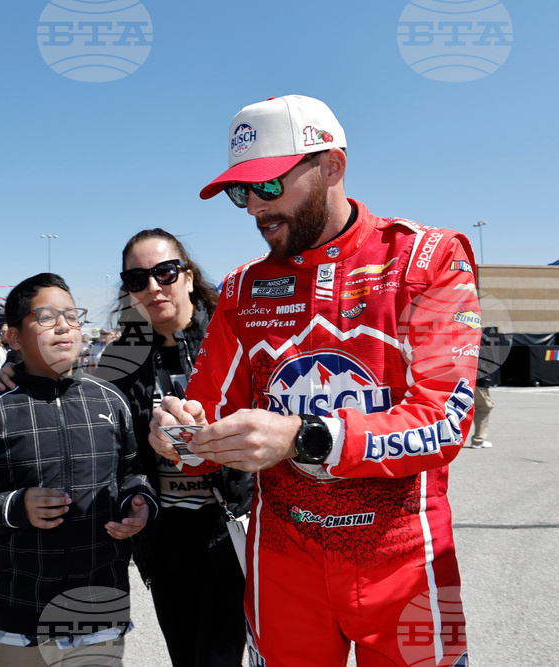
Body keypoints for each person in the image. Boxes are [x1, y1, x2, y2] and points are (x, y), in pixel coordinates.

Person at [151, 95, 480, 667]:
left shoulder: (428, 260)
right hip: (283, 564)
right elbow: (205, 419)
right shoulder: (240, 290)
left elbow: (445, 422)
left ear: (332, 166)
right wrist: (180, 433)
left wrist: (301, 437)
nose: (255, 208)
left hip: (402, 562)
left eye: (269, 186)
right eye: (240, 192)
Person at [0, 273, 157, 667]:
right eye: (45, 316)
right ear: (14, 337)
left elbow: (133, 472)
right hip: (21, 611)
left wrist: (138, 501)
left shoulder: (110, 400)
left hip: (100, 604)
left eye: (72, 316)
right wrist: (15, 507)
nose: (63, 325)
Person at [95, 229, 251, 666]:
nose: (153, 287)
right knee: (186, 655)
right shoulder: (119, 361)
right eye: (137, 279)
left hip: (233, 525)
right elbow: (119, 453)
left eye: (164, 272)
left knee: (223, 656)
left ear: (187, 275)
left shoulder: (234, 336)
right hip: (166, 535)